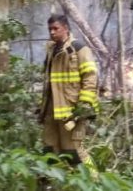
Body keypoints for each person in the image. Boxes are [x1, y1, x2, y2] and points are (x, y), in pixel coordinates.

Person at [38, 14, 99, 176]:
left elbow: (90, 77)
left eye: (55, 28)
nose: (52, 32)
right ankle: (58, 184)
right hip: (52, 111)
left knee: (74, 152)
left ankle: (94, 181)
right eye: (50, 29)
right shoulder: (51, 50)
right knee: (50, 151)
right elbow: (49, 83)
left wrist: (84, 106)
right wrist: (42, 108)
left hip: (71, 111)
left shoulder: (78, 48)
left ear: (65, 28)